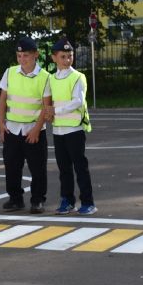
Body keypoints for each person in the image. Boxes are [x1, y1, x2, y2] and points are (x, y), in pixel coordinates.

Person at [0, 36, 49, 214]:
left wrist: (36, 129)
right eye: (19, 56)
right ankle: (15, 199)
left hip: (33, 130)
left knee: (37, 168)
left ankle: (37, 200)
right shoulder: (10, 72)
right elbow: (3, 99)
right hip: (12, 129)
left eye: (25, 55)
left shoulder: (44, 77)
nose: (22, 59)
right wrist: (1, 123)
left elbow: (46, 106)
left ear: (36, 55)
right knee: (11, 166)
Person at [46, 37, 96, 215]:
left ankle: (88, 202)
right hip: (59, 130)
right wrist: (50, 113)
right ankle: (67, 200)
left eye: (70, 56)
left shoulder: (78, 77)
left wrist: (55, 111)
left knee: (80, 167)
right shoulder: (51, 78)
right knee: (63, 169)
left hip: (74, 129)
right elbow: (48, 101)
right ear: (54, 58)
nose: (67, 60)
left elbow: (77, 102)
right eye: (63, 56)